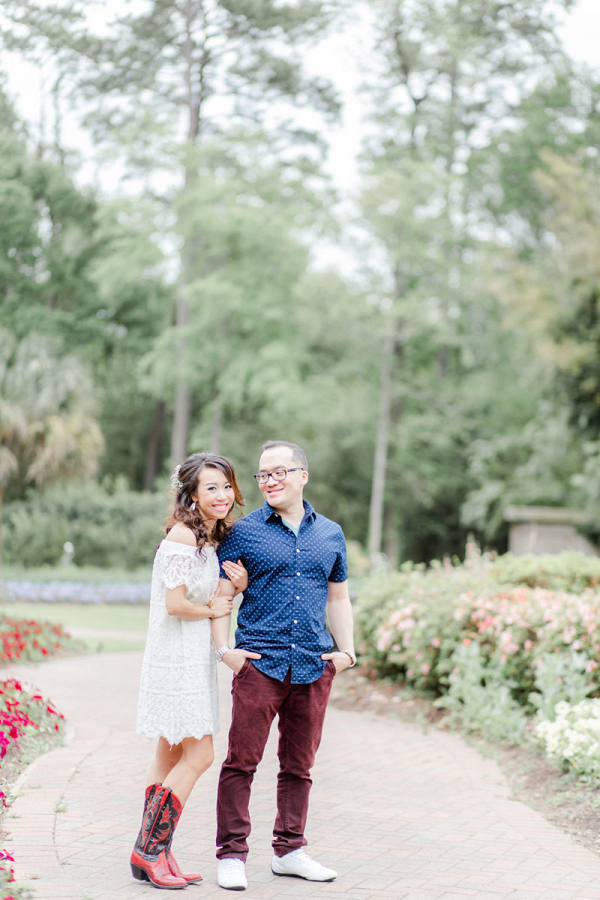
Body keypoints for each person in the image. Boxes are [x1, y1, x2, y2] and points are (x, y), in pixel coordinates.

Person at [212, 440, 356, 891]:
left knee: (299, 766)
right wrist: (225, 652)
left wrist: (347, 652)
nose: (270, 481)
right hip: (259, 665)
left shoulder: (330, 533)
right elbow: (222, 596)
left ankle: (290, 851)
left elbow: (339, 596)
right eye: (262, 475)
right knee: (241, 763)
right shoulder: (243, 532)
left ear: (302, 476)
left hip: (314, 667)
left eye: (279, 472)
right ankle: (232, 854)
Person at [131, 452, 248, 890]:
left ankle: (152, 851)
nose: (222, 495)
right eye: (211, 487)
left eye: (226, 486)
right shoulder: (183, 536)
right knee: (200, 755)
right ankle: (148, 849)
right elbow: (175, 604)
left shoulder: (207, 537)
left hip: (188, 654)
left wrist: (233, 588)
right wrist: (215, 606)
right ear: (193, 495)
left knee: (169, 753)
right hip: (177, 657)